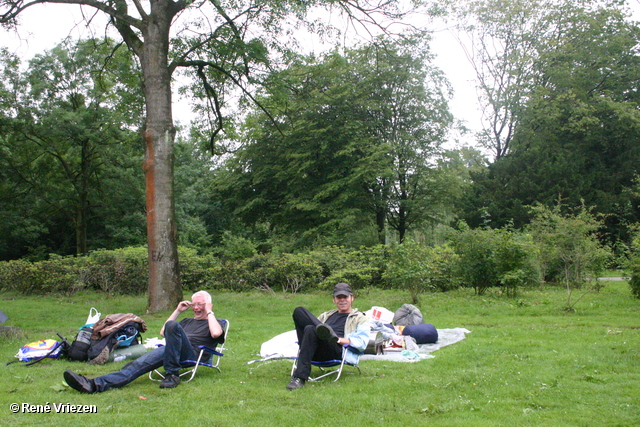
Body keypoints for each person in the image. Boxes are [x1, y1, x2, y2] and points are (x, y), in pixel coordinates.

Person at [64, 290, 224, 393]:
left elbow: (216, 333)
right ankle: (93, 385)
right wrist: (177, 311)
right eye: (194, 304)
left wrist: (209, 311)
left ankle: (172, 374)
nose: (196, 307)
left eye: (200, 304)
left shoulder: (215, 321)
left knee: (172, 325)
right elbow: (163, 332)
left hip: (193, 354)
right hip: (172, 351)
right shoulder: (187, 321)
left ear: (208, 305)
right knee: (136, 365)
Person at [287, 282, 370, 390]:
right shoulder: (326, 316)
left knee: (311, 329)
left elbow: (362, 343)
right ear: (334, 300)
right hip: (314, 349)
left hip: (334, 349)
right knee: (300, 312)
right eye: (338, 297)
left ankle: (299, 378)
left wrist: (338, 340)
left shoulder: (360, 318)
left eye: (345, 297)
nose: (342, 300)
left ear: (352, 298)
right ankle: (327, 334)